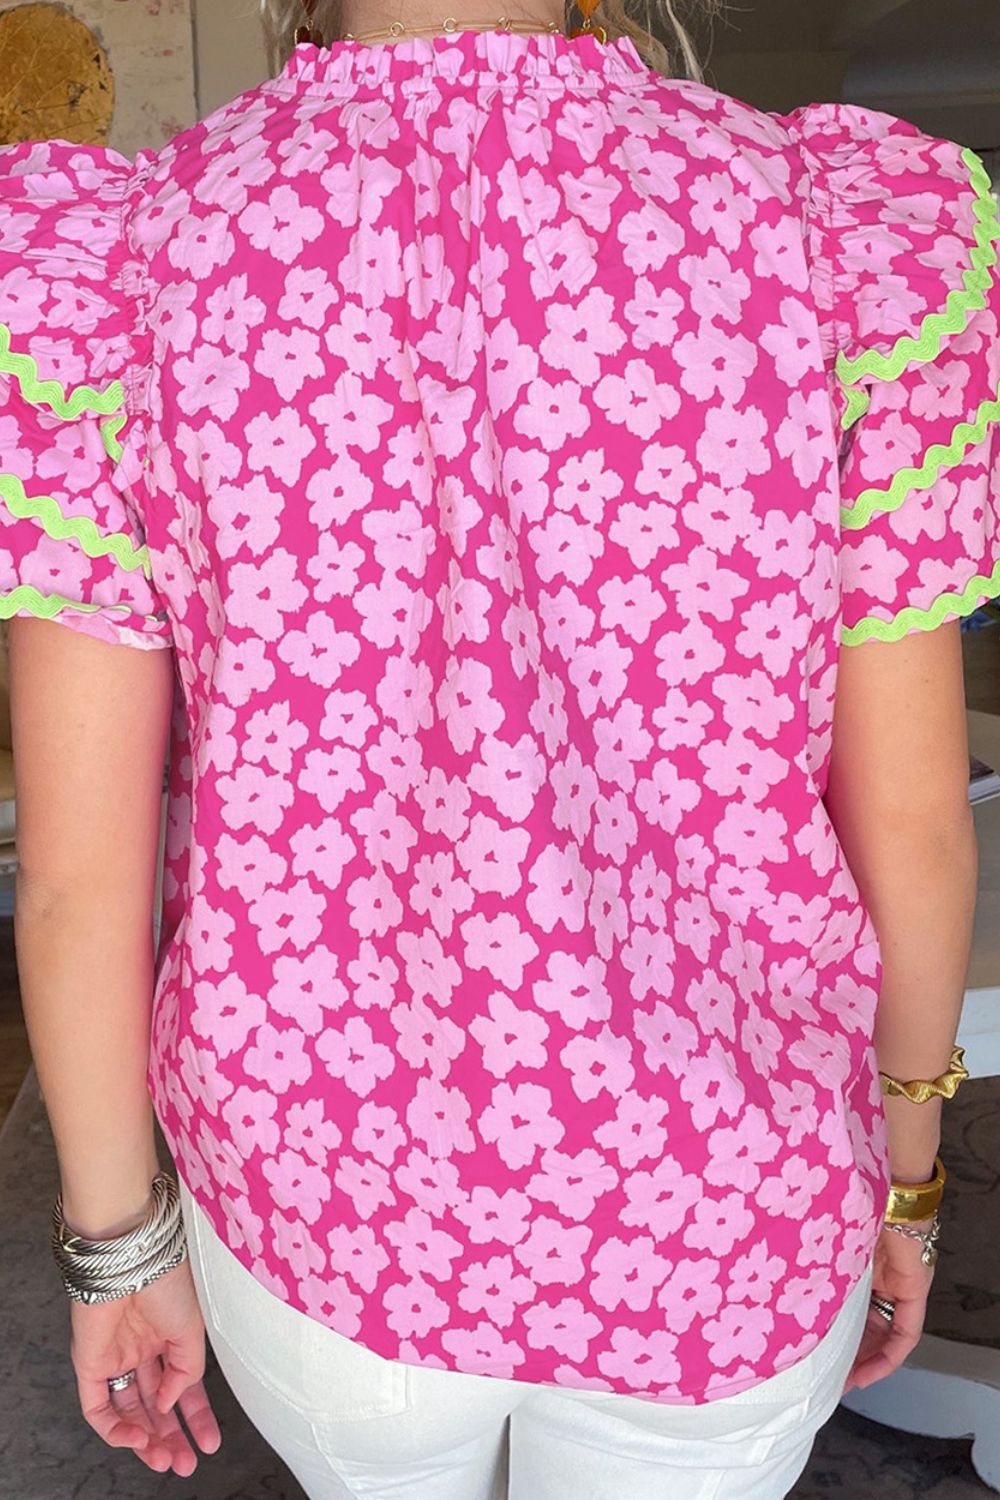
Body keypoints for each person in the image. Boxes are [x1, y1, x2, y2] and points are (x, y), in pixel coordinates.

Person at [1, 0, 995, 1491]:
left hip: (328, 1201)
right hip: (721, 1205)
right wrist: (908, 1185)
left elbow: (80, 879)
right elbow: (912, 827)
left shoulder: (130, 259)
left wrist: (117, 1248)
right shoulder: (823, 229)